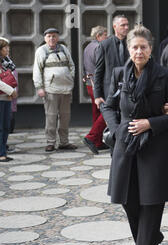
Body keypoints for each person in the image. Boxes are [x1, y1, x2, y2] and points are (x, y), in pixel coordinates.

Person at [101, 25, 168, 245]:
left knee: (151, 202)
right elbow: (108, 107)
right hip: (125, 147)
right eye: (134, 47)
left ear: (151, 50)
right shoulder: (119, 74)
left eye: (143, 47)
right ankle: (151, 240)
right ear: (129, 49)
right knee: (129, 202)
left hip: (155, 149)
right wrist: (116, 130)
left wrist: (151, 123)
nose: (139, 51)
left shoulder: (166, 76)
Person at [32, 28, 77, 152]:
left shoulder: (63, 48)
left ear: (58, 37)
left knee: (65, 117)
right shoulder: (41, 51)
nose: (52, 38)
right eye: (49, 36)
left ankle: (64, 142)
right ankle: (50, 142)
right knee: (51, 117)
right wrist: (39, 87)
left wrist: (70, 78)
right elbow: (37, 70)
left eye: (54, 36)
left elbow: (71, 65)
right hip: (51, 90)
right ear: (45, 38)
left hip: (66, 89)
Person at [94, 15, 130, 109]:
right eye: (123, 25)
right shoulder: (105, 45)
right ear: (115, 26)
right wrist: (97, 96)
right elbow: (98, 71)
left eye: (127, 25)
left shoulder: (132, 44)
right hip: (110, 92)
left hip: (130, 91)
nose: (126, 27)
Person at [82, 26, 108, 154]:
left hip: (89, 84)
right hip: (98, 85)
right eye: (105, 35)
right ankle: (91, 137)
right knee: (108, 112)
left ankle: (97, 142)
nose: (107, 37)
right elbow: (99, 69)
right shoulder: (99, 47)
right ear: (98, 36)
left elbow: (85, 66)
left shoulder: (87, 47)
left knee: (97, 113)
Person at [0, 37, 18, 162]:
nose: (8, 49)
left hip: (6, 98)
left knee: (6, 126)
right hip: (2, 97)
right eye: (5, 47)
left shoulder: (4, 62)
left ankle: (3, 151)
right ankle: (1, 153)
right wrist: (11, 91)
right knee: (1, 127)